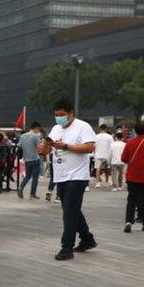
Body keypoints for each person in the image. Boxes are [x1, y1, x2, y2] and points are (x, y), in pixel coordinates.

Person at [46, 98, 97, 260]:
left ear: (71, 113)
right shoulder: (55, 128)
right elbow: (49, 148)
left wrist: (66, 146)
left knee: (69, 212)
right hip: (61, 175)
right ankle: (87, 239)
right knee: (72, 209)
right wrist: (45, 148)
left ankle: (66, 248)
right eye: (56, 115)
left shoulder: (82, 126)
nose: (59, 118)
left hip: (77, 176)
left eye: (62, 115)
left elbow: (90, 147)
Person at [17, 122, 43, 199]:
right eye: (38, 129)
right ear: (36, 128)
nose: (39, 131)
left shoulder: (23, 136)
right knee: (35, 177)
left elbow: (19, 146)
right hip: (35, 159)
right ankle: (32, 194)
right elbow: (39, 148)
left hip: (26, 159)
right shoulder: (35, 136)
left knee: (28, 176)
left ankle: (21, 187)